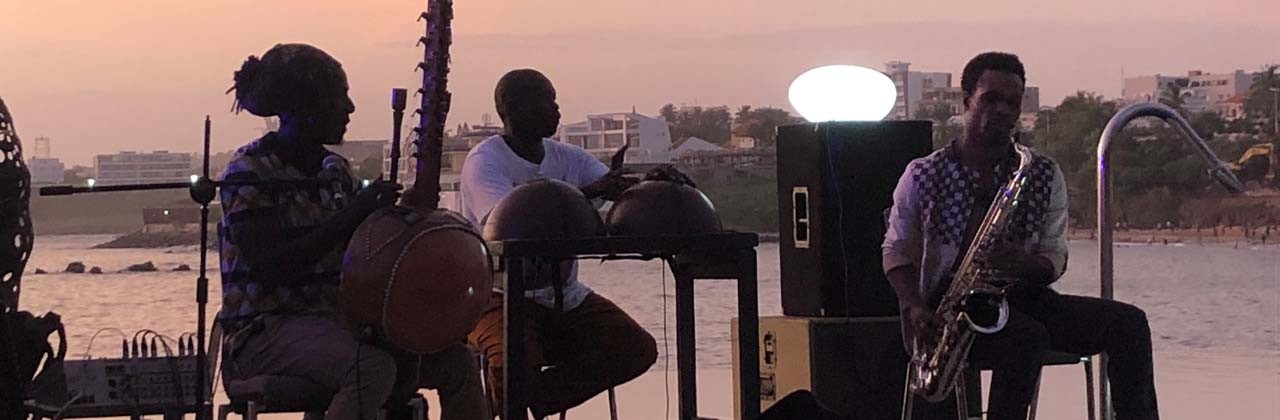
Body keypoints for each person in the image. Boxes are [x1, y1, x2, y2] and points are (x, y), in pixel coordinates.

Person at [882, 52, 1158, 420]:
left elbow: (1054, 258)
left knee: (1129, 324)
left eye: (1012, 103)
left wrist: (1021, 264)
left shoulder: (1041, 174)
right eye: (990, 99)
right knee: (1026, 339)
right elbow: (895, 251)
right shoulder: (923, 174)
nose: (1002, 111)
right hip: (946, 312)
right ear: (966, 102)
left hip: (1023, 298)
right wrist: (915, 306)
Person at [218, 43, 487, 420]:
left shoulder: (335, 171)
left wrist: (402, 219)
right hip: (264, 332)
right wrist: (353, 215)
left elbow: (364, 253)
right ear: (302, 107)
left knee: (457, 361)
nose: (349, 108)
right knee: (371, 368)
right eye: (337, 96)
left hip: (340, 324)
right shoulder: (249, 171)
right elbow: (271, 267)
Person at [460, 69, 658, 418]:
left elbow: (612, 187)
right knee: (513, 359)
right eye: (545, 100)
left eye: (555, 99)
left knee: (636, 348)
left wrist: (653, 185)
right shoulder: (484, 161)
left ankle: (535, 399)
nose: (556, 109)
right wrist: (592, 193)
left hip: (565, 296)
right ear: (510, 108)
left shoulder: (567, 156)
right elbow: (510, 223)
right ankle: (516, 400)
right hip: (497, 295)